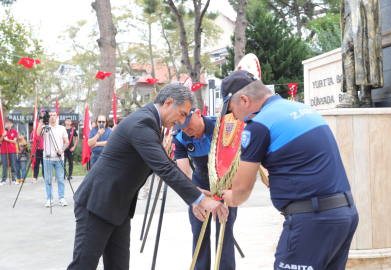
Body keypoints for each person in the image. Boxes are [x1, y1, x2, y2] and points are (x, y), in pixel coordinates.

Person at [67, 83, 229, 270]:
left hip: (118, 207)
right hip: (97, 203)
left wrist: (194, 194)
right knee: (83, 266)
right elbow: (163, 167)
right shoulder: (143, 123)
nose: (182, 121)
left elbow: (164, 164)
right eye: (183, 113)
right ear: (168, 103)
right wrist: (200, 199)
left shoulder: (151, 123)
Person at [220, 70, 359, 270]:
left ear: (244, 100)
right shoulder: (303, 109)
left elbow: (241, 189)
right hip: (344, 214)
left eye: (231, 110)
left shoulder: (258, 125)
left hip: (312, 221)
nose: (234, 118)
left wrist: (229, 198)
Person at [172, 108, 238, 270]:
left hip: (225, 182)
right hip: (200, 182)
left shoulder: (223, 128)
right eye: (180, 126)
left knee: (225, 231)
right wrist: (194, 197)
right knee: (198, 230)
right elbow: (184, 174)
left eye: (187, 123)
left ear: (198, 113)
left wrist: (234, 189)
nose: (185, 129)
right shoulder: (180, 138)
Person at [37, 110, 69, 207]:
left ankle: (61, 198)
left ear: (57, 116)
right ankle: (49, 199)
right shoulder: (45, 127)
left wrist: (62, 149)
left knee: (60, 179)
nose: (52, 117)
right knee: (48, 180)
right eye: (50, 115)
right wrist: (41, 119)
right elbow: (38, 134)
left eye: (54, 115)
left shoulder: (62, 128)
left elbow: (66, 142)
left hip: (59, 158)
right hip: (47, 158)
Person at [0, 119, 18, 186]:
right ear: (6, 123)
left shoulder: (14, 131)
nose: (8, 124)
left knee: (13, 165)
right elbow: (0, 140)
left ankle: (13, 179)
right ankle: (3, 179)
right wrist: (2, 135)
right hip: (4, 150)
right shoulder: (3, 131)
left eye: (10, 123)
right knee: (4, 165)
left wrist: (8, 140)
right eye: (7, 123)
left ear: (12, 124)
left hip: (12, 150)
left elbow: (14, 141)